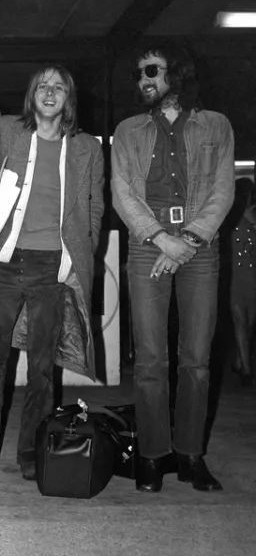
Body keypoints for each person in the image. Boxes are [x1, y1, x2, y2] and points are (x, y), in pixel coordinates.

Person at [0, 63, 104, 484]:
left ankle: (33, 454)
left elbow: (95, 207)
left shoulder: (86, 148)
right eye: (42, 86)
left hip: (53, 268)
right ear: (31, 96)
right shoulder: (10, 130)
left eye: (59, 87)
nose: (50, 93)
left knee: (44, 370)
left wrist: (80, 255)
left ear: (69, 98)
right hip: (5, 263)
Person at [111, 41, 234, 493]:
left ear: (176, 75)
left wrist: (190, 238)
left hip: (200, 246)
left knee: (197, 360)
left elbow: (223, 190)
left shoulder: (216, 125)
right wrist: (161, 237)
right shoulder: (127, 130)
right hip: (149, 244)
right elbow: (122, 192)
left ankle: (190, 455)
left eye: (151, 71)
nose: (143, 80)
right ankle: (152, 456)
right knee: (149, 360)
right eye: (139, 73)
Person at [225, 178, 256, 386]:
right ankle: (246, 369)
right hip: (234, 276)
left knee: (249, 324)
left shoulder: (253, 215)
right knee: (240, 322)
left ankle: (238, 360)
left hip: (252, 277)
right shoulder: (228, 216)